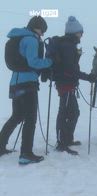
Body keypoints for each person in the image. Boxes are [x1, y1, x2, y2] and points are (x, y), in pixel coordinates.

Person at [0, 16, 53, 164]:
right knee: (30, 118)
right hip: (27, 83)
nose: (42, 34)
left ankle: (0, 147)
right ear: (37, 27)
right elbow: (33, 62)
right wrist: (50, 62)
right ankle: (26, 154)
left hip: (15, 82)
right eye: (42, 30)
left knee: (16, 116)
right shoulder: (30, 40)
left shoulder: (19, 37)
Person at [54, 16, 96, 155]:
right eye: (80, 32)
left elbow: (71, 67)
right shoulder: (68, 46)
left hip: (67, 84)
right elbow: (70, 69)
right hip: (65, 84)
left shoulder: (70, 45)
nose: (82, 35)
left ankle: (67, 139)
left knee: (73, 112)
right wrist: (87, 77)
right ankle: (62, 143)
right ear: (74, 32)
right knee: (65, 112)